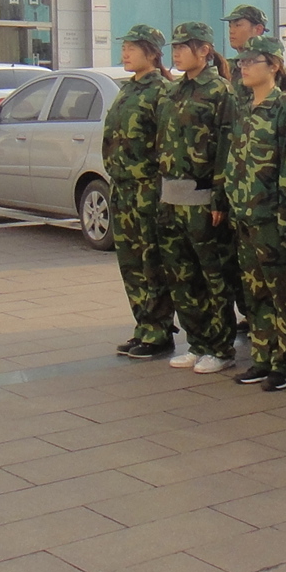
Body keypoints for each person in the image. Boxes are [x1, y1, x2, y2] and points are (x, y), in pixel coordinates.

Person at [220, 35, 286, 392]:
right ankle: (263, 356)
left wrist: (285, 216)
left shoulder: (285, 108)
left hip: (272, 216)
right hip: (245, 214)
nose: (243, 67)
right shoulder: (244, 106)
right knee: (254, 291)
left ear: (273, 66)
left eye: (251, 62)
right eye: (241, 61)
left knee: (280, 292)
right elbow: (234, 159)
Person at [155, 21, 240, 375]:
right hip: (171, 195)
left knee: (213, 277)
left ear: (204, 50)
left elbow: (227, 146)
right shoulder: (174, 90)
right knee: (181, 275)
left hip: (202, 195)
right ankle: (198, 342)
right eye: (174, 47)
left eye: (183, 47)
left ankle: (220, 347)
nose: (176, 53)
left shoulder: (220, 91)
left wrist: (220, 197)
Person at [102, 24, 177, 361]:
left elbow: (166, 143)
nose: (125, 53)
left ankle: (159, 331)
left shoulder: (161, 91)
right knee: (130, 262)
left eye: (132, 48)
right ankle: (143, 325)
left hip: (147, 188)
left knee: (151, 262)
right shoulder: (128, 89)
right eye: (124, 47)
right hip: (122, 187)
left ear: (152, 53)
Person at [223, 5, 268, 83]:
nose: (231, 31)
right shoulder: (227, 68)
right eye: (230, 26)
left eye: (238, 25)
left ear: (258, 29)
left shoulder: (268, 67)